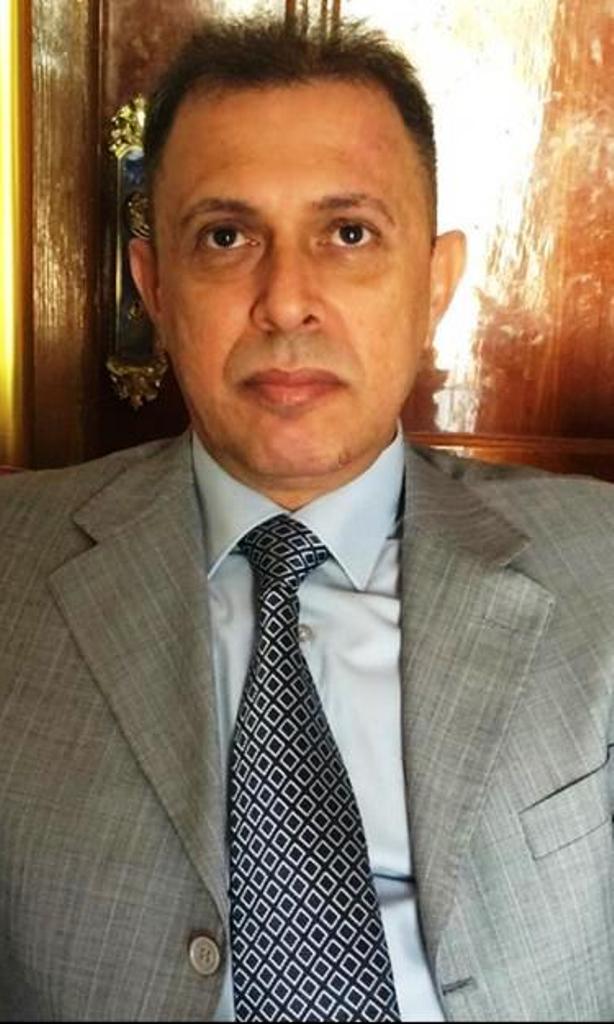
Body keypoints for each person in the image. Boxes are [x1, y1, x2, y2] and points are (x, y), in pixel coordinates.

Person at [1, 13, 613, 1023]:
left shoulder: (601, 564)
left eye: (349, 233)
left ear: (434, 284)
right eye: (226, 237)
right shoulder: (13, 565)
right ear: (155, 289)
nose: (286, 302)